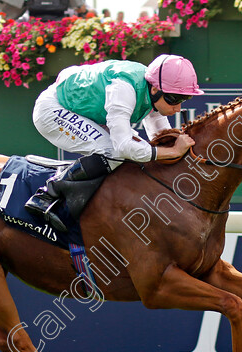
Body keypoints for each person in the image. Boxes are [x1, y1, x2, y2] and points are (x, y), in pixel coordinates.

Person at [25, 54, 203, 232]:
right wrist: (171, 152)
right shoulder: (124, 88)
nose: (178, 108)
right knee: (114, 152)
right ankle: (46, 195)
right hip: (53, 109)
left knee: (133, 150)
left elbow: (160, 138)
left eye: (184, 99)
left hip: (83, 109)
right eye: (175, 99)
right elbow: (123, 147)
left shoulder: (152, 90)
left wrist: (178, 147)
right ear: (155, 90)